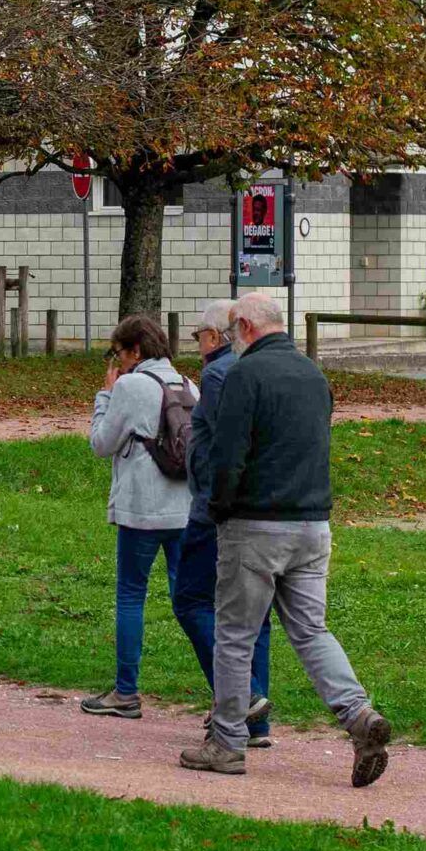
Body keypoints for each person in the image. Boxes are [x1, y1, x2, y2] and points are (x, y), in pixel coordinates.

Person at [180, 291, 393, 784]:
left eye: (233, 333)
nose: (231, 342)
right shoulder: (314, 375)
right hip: (313, 523)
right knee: (311, 630)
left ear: (247, 329)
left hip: (255, 524)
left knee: (235, 635)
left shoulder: (243, 376)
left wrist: (219, 509)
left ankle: (227, 743)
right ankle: (359, 717)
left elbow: (228, 456)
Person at [78, 315, 196, 719]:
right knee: (193, 601)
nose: (117, 361)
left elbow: (100, 443)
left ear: (136, 351)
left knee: (131, 594)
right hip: (185, 507)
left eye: (119, 352)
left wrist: (104, 397)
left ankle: (126, 690)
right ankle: (236, 693)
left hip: (142, 508)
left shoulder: (130, 386)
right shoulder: (187, 384)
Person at [171, 301, 274, 744]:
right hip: (259, 507)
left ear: (215, 337)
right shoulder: (257, 369)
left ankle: (243, 697)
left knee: (192, 600)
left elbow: (220, 443)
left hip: (213, 508)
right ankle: (258, 721)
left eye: (199, 336)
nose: (198, 345)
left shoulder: (217, 375)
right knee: (257, 616)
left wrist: (214, 500)